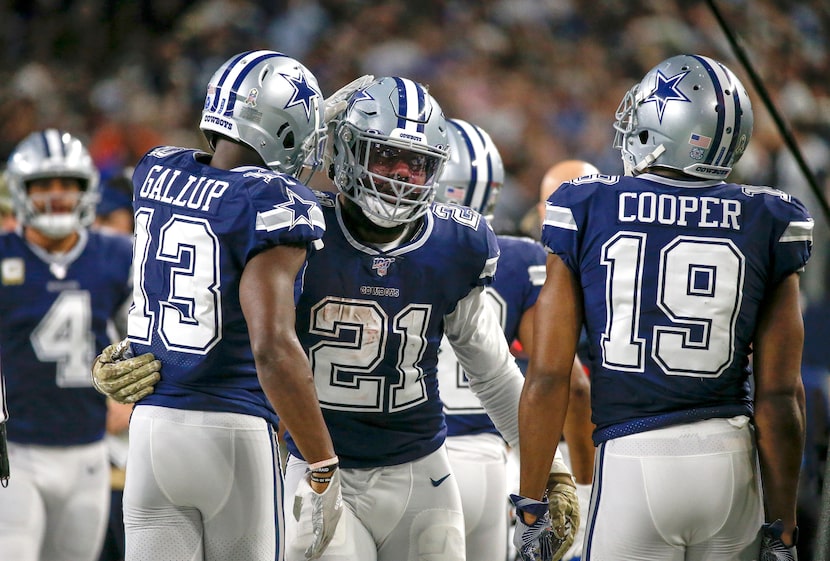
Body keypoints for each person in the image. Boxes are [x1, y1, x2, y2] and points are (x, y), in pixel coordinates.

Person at [513, 53, 812, 560]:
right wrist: (782, 526)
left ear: (664, 122)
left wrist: (531, 506)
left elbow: (548, 376)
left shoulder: (585, 203)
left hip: (634, 460)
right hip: (730, 464)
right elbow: (781, 397)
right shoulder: (771, 217)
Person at [278, 76, 578, 561]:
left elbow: (493, 371)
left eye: (416, 164)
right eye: (385, 157)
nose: (400, 175)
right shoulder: (300, 225)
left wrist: (554, 468)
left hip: (421, 473)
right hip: (321, 470)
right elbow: (248, 340)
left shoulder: (454, 244)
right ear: (347, 150)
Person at [91, 50, 341, 561]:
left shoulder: (157, 171)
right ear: (284, 131)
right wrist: (322, 462)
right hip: (232, 428)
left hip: (152, 429)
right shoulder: (274, 202)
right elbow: (272, 347)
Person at [434, 119, 593, 561]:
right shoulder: (518, 256)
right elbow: (568, 382)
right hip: (488, 462)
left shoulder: (383, 256)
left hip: (410, 454)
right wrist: (581, 483)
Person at [0, 128, 134, 561]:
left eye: (67, 184)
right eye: (43, 185)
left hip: (89, 447)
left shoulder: (116, 255)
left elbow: (149, 332)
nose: (56, 196)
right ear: (21, 191)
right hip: (14, 450)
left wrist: (131, 394)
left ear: (86, 190)